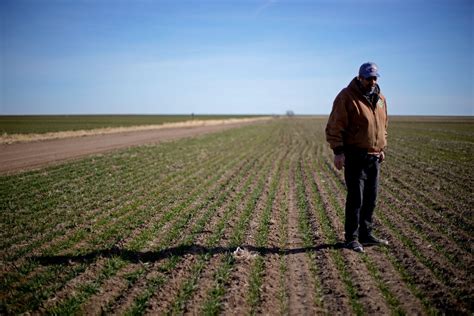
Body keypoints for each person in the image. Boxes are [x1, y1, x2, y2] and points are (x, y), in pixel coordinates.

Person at [325, 62, 389, 253]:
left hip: (374, 156)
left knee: (371, 198)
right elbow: (335, 126)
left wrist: (381, 146)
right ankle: (351, 238)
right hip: (355, 155)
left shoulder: (380, 99)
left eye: (375, 77)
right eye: (369, 78)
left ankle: (366, 234)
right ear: (360, 78)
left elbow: (383, 125)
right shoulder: (347, 96)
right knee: (356, 198)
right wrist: (338, 152)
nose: (372, 81)